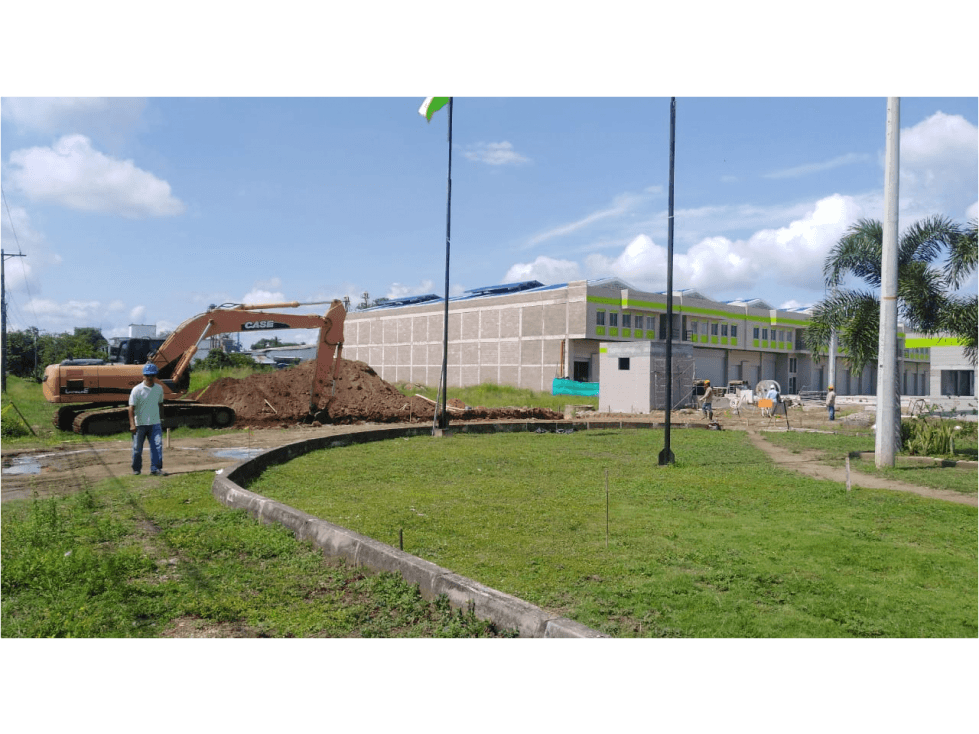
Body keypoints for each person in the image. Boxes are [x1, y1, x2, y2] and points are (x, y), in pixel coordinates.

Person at [129, 363, 165, 476]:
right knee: (137, 448)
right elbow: (131, 408)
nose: (150, 378)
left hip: (155, 423)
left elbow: (160, 404)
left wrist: (162, 418)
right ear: (143, 376)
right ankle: (136, 469)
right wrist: (132, 424)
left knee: (157, 447)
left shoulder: (159, 389)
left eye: (152, 375)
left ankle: (156, 469)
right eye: (147, 375)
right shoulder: (137, 390)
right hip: (140, 424)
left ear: (155, 376)